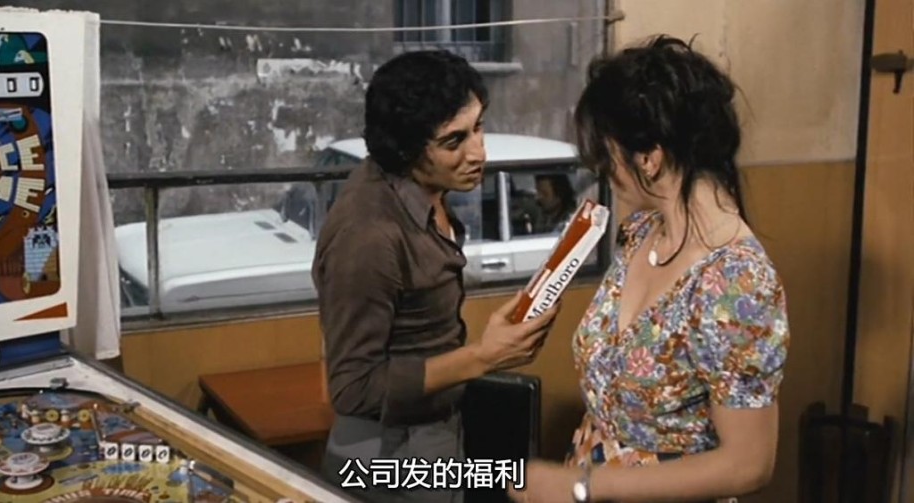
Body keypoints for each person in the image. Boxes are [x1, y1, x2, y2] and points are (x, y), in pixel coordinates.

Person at [509, 35, 790, 502]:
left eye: (607, 154)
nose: (602, 170)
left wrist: (585, 486)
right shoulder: (641, 232)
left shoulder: (734, 282)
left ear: (649, 157)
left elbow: (749, 464)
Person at [312, 49, 562, 503]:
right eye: (454, 142)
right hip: (387, 454)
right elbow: (352, 389)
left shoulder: (422, 189)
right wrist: (483, 357)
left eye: (478, 127)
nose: (478, 153)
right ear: (407, 149)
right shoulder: (369, 235)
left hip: (434, 431)